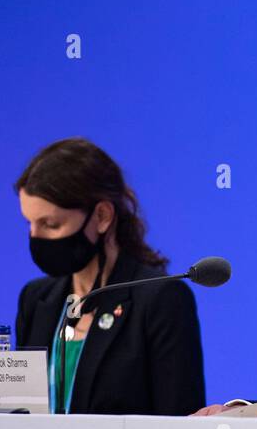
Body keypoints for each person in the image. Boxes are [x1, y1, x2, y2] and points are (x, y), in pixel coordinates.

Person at [15, 137, 205, 414]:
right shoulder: (35, 300)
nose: (35, 237)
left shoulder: (162, 301)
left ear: (102, 216)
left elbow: (181, 426)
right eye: (29, 224)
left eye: (50, 224)